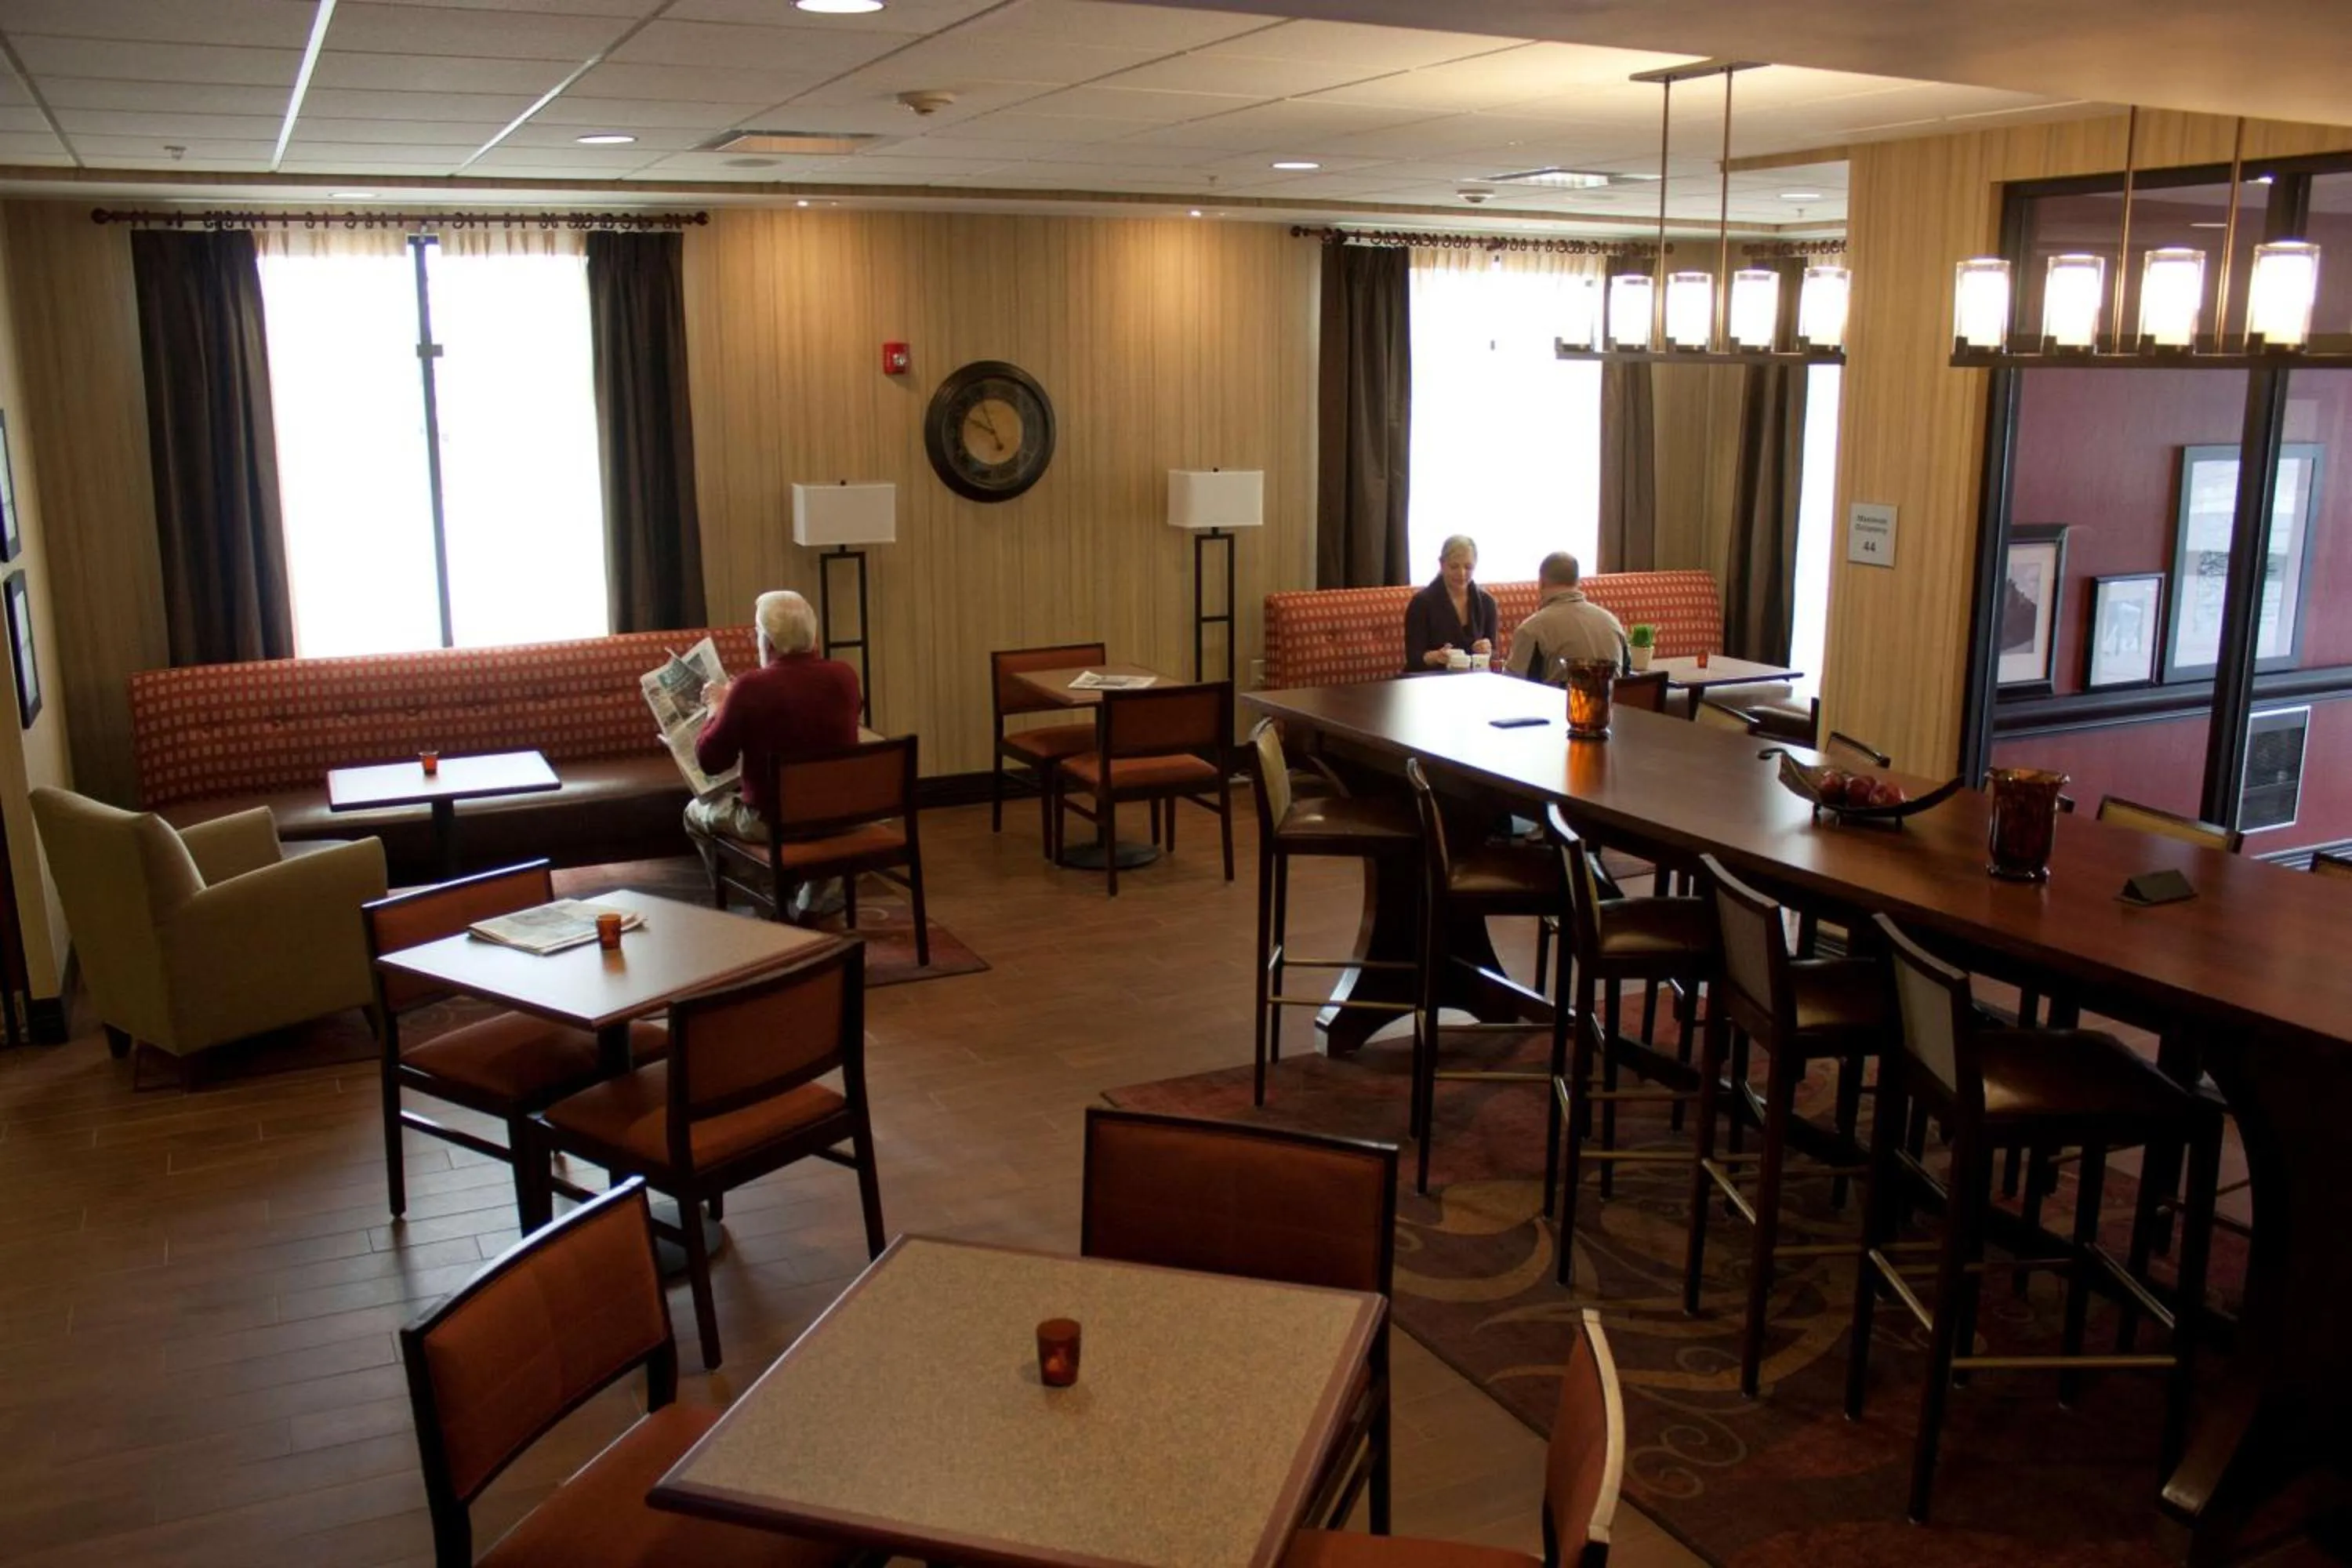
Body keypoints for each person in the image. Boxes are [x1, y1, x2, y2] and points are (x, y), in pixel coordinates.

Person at [685, 589, 862, 846]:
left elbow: (710, 761)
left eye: (756, 632)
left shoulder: (750, 688)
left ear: (767, 642)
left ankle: (754, 874)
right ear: (813, 637)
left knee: (694, 812)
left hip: (777, 823)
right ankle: (819, 871)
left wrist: (718, 706)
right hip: (842, 817)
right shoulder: (845, 676)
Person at [1505, 552, 1627, 682]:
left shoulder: (1531, 629)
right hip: (1610, 695)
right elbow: (1627, 676)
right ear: (1577, 582)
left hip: (1560, 695)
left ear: (1541, 583)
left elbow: (1512, 684)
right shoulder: (1612, 622)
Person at [1403, 535, 1498, 673]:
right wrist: (1436, 657)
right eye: (1454, 567)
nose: (1462, 573)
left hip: (1474, 679)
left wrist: (1488, 650)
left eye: (1468, 567)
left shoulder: (1487, 602)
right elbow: (1414, 659)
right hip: (1430, 678)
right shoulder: (1421, 603)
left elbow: (1494, 654)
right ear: (1442, 564)